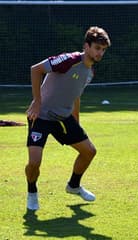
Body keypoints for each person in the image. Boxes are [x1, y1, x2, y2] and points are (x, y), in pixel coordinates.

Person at [25, 26, 111, 210]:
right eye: (97, 48)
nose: (100, 53)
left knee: (89, 151)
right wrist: (37, 103)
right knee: (34, 162)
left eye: (103, 50)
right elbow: (35, 70)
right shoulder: (69, 60)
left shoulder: (90, 73)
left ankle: (73, 186)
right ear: (86, 46)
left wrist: (76, 121)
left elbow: (75, 95)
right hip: (41, 116)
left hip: (64, 118)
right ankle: (32, 192)